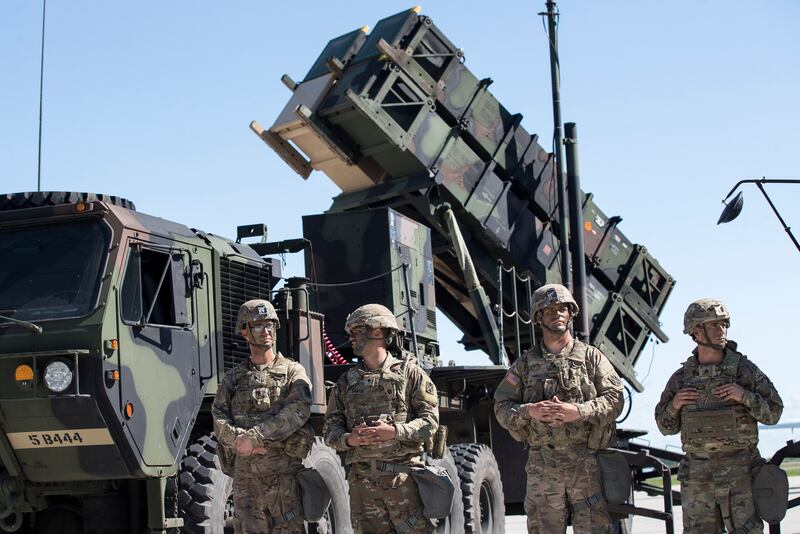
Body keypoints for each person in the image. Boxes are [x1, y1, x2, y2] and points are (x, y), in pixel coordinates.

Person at [494, 283, 623, 534]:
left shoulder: (591, 358)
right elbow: (501, 407)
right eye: (549, 309)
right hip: (543, 465)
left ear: (571, 313)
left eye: (563, 308)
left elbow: (615, 399)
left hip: (586, 463)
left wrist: (580, 412)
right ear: (538, 317)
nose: (558, 313)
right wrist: (529, 411)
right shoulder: (524, 365)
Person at [655, 298, 783, 534]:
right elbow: (665, 426)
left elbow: (774, 412)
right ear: (696, 330)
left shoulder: (745, 371)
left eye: (724, 324)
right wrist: (675, 404)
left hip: (740, 474)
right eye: (714, 325)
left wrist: (744, 396)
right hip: (698, 477)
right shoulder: (681, 378)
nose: (722, 330)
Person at [323, 303, 439, 533]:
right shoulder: (346, 383)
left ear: (376, 331)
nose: (350, 339)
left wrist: (396, 432)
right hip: (362, 486)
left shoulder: (410, 374)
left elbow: (430, 422)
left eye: (355, 332)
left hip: (403, 482)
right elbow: (329, 431)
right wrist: (349, 440)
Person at [212, 299, 314, 533]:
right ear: (244, 332)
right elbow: (218, 417)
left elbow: (298, 411)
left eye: (270, 325)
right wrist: (239, 441)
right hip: (245, 482)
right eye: (259, 326)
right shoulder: (233, 379)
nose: (267, 331)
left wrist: (255, 437)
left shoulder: (292, 372)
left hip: (283, 480)